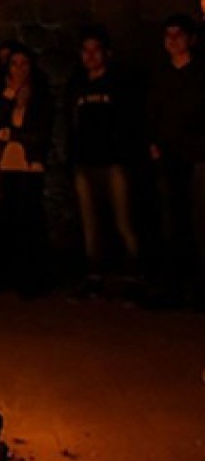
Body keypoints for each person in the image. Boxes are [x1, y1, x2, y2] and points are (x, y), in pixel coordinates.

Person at [64, 26, 140, 296]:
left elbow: (130, 122)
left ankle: (133, 275)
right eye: (86, 51)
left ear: (107, 53)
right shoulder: (76, 86)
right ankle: (94, 275)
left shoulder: (119, 85)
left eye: (96, 50)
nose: (90, 56)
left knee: (124, 220)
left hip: (115, 161)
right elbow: (70, 123)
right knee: (90, 222)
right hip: (85, 162)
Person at [0, 43, 53, 297]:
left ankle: (29, 279)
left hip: (28, 167)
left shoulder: (40, 96)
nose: (19, 69)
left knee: (27, 223)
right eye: (14, 64)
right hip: (2, 165)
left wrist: (13, 135)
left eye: (24, 64)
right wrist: (8, 96)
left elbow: (41, 133)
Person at [145, 14, 205, 307]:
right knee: (172, 221)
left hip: (198, 156)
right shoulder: (160, 75)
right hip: (169, 156)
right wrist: (154, 143)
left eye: (178, 35)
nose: (173, 40)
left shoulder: (200, 74)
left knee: (199, 221)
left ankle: (199, 287)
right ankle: (175, 285)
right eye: (168, 35)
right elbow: (152, 112)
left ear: (190, 39)